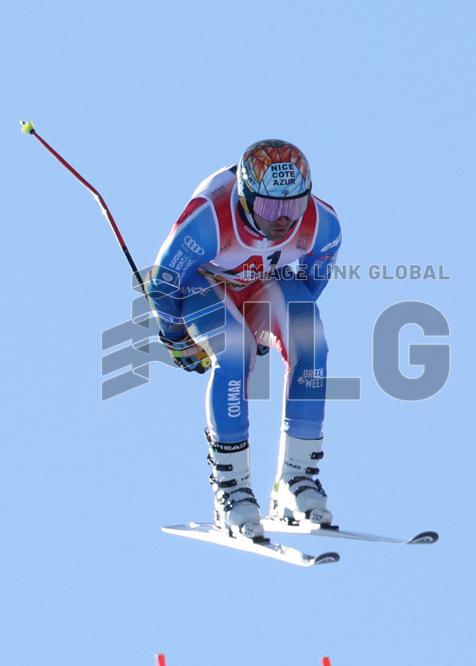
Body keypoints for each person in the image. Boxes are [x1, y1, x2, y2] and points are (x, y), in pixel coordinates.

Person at [146, 139, 342, 541]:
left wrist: (274, 329)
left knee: (311, 341)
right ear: (247, 198)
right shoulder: (210, 222)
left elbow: (310, 285)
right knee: (235, 351)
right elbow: (164, 283)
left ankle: (296, 480)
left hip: (260, 284)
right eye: (271, 207)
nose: (284, 220)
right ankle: (231, 490)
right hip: (204, 284)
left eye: (293, 206)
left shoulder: (322, 225)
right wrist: (177, 339)